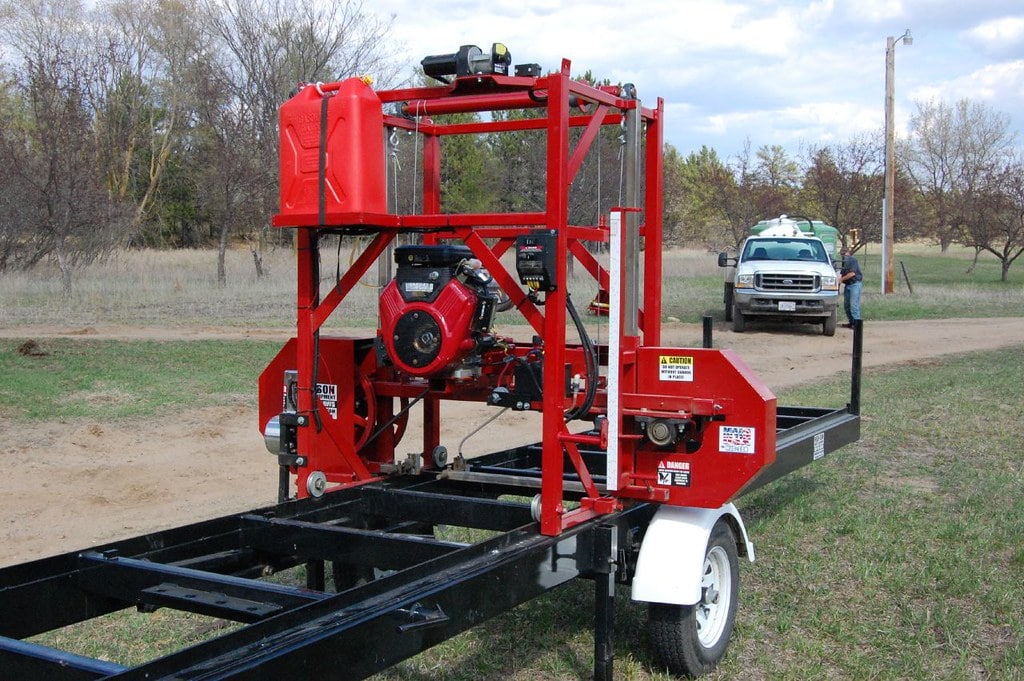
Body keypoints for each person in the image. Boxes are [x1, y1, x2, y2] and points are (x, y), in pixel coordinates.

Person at [839, 246, 862, 329]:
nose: (843, 255)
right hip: (848, 285)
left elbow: (852, 273)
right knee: (847, 305)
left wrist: (841, 279)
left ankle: (857, 325)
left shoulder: (852, 260)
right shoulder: (844, 261)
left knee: (854, 305)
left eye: (844, 253)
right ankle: (851, 322)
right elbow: (842, 273)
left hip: (855, 284)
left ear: (848, 252)